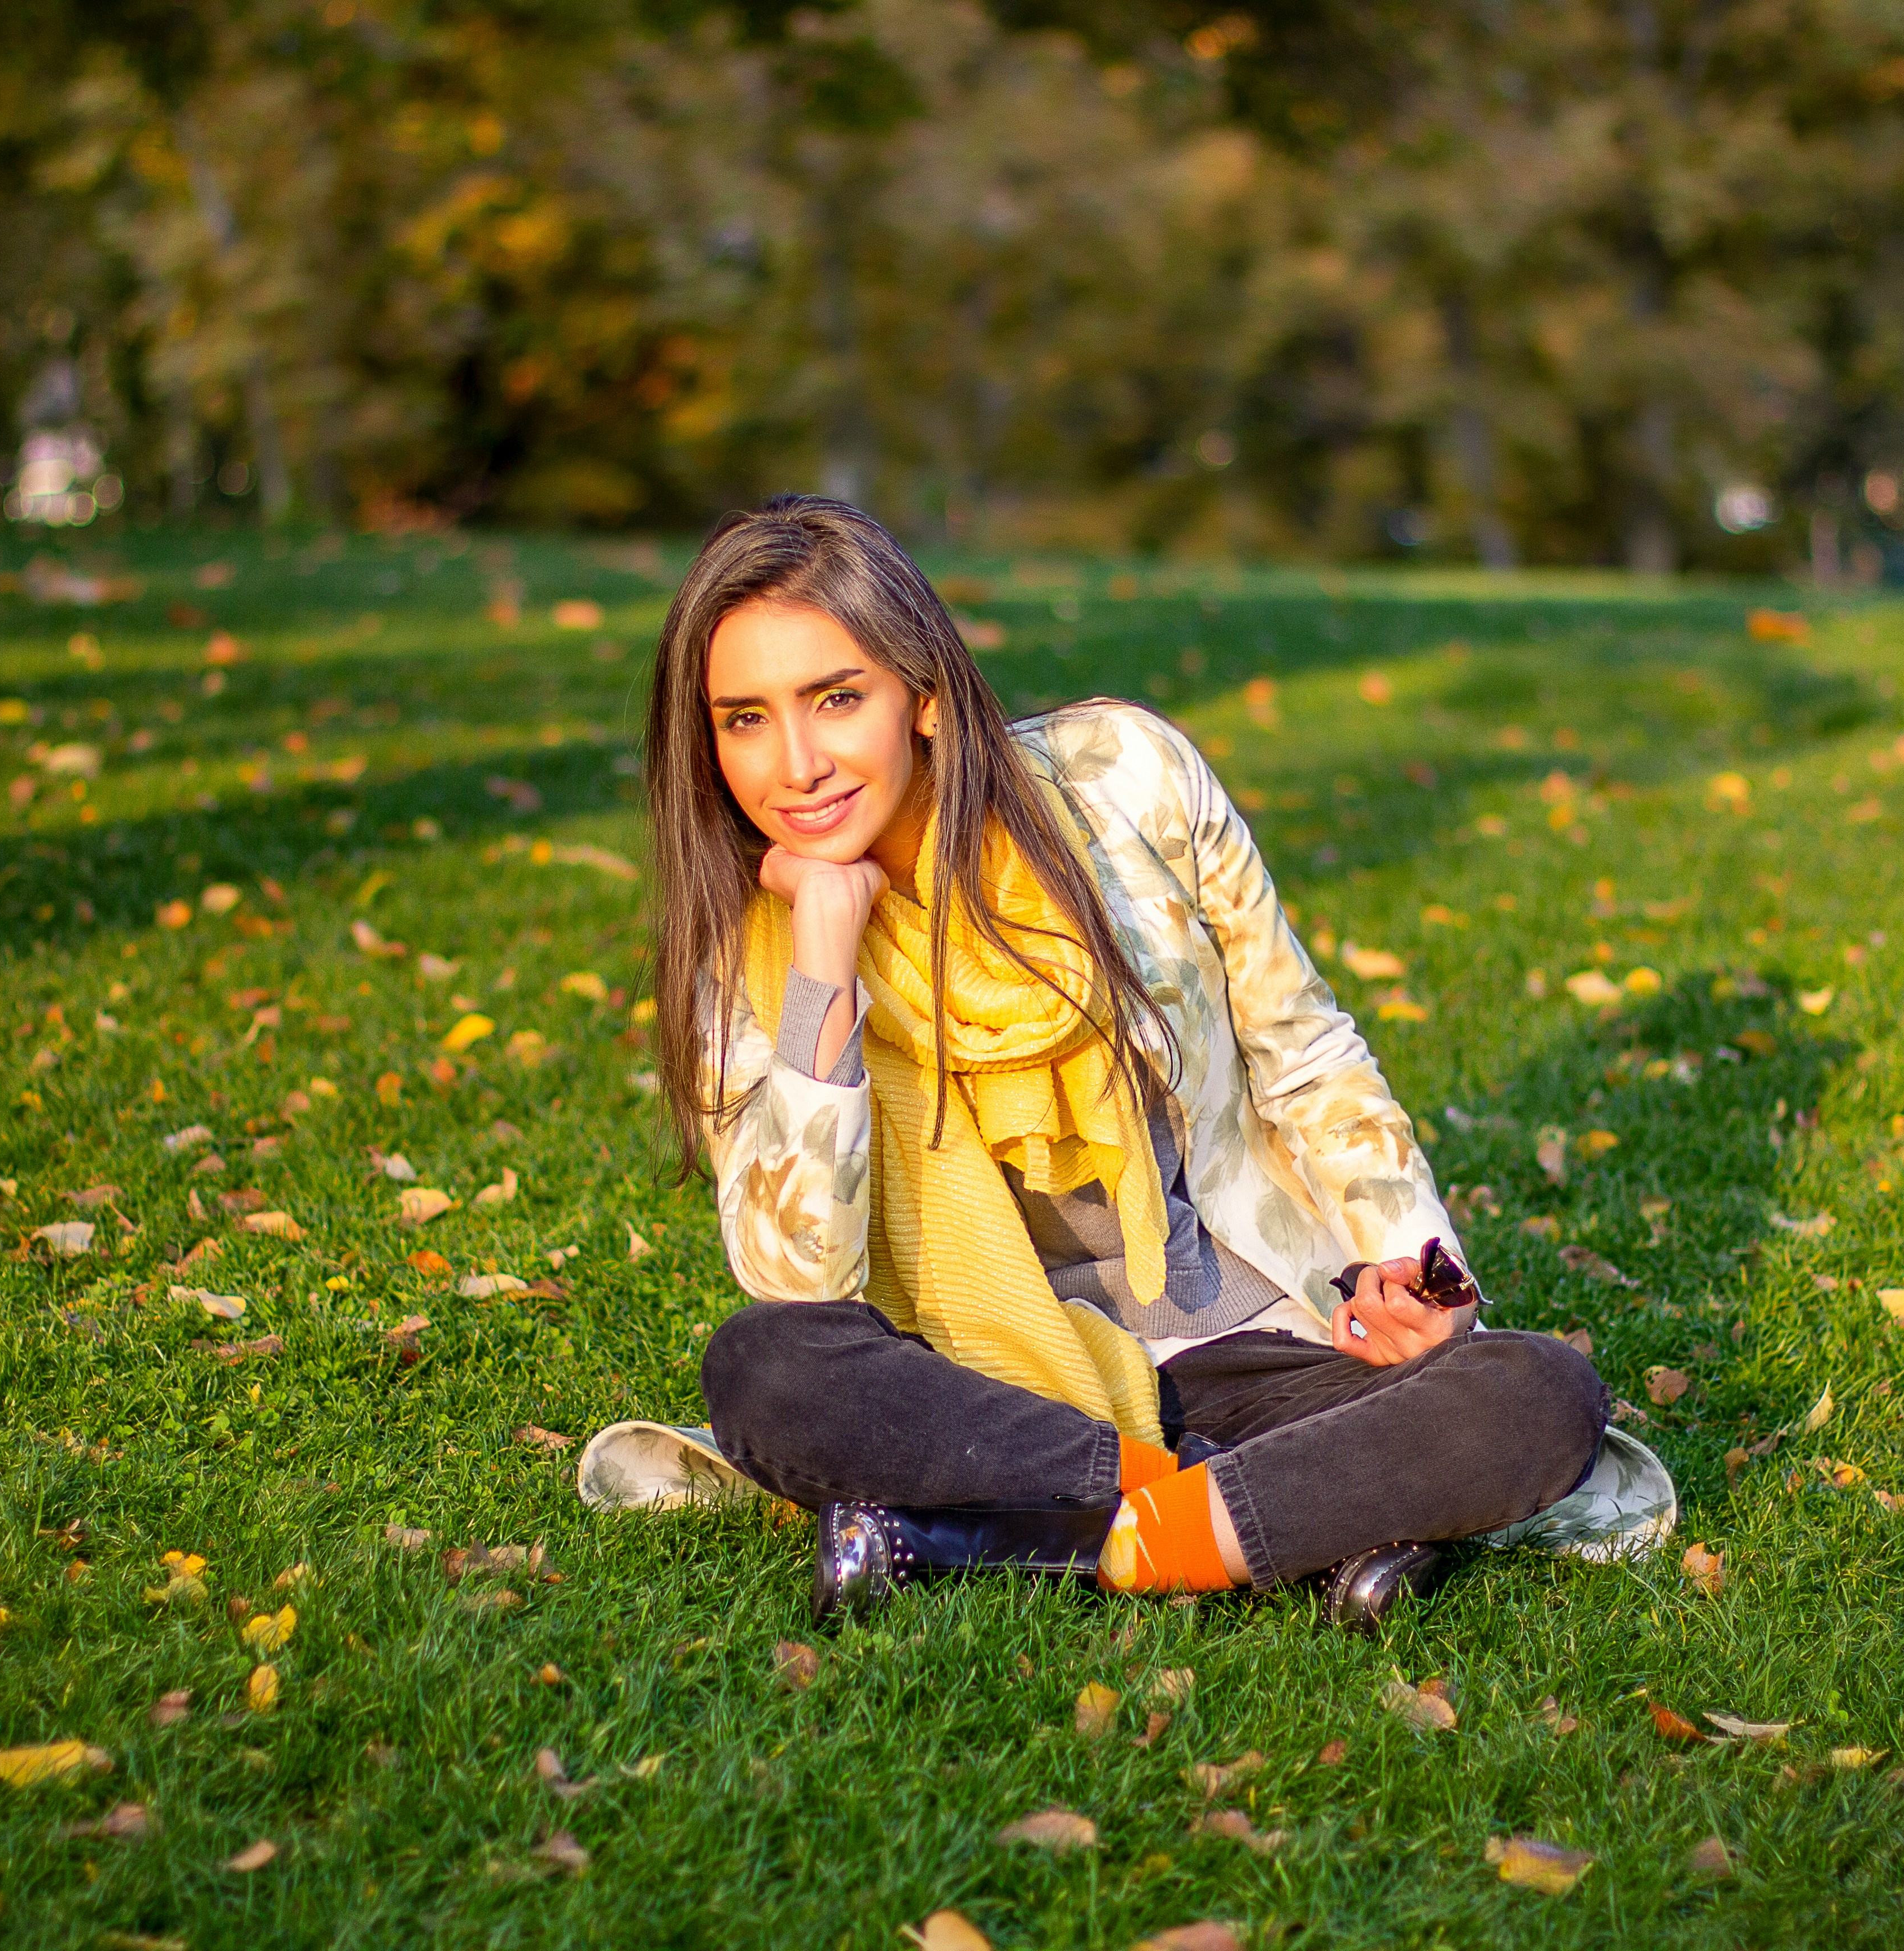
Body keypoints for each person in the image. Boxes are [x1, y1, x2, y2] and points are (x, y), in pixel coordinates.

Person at [632, 495, 1630, 1629]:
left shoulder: (1123, 782)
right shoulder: (745, 944)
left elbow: (1304, 1059)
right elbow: (800, 1283)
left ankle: (1011, 1535)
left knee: (1541, 1393)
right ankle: (1269, 1522)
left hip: (1248, 1350)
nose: (797, 764)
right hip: (985, 1387)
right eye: (745, 720)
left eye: (836, 699)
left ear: (921, 692)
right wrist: (822, 949)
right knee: (764, 1369)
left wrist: (1413, 1274)